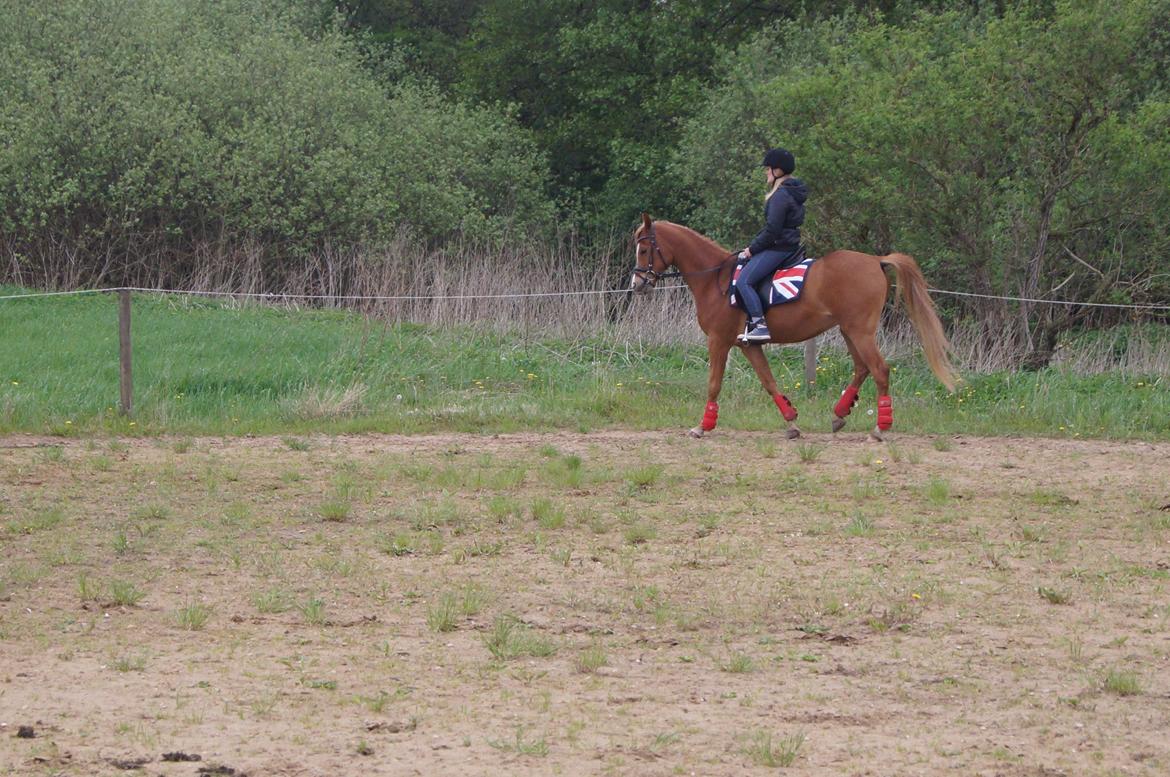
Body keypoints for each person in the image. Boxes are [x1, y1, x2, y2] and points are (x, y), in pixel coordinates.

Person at [735, 147, 808, 343]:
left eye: (768, 169)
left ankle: (759, 325)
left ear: (778, 171)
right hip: (788, 245)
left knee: (744, 281)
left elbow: (772, 230)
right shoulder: (792, 193)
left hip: (779, 248)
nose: (766, 172)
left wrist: (751, 249)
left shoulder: (780, 196)